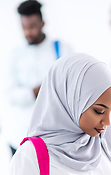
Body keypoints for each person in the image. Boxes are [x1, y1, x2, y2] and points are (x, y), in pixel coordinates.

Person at [5, 0, 71, 155]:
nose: (28, 32)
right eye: (24, 28)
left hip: (54, 138)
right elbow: (9, 94)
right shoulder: (15, 55)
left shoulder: (62, 50)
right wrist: (35, 91)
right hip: (20, 138)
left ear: (43, 23)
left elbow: (72, 87)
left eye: (32, 27)